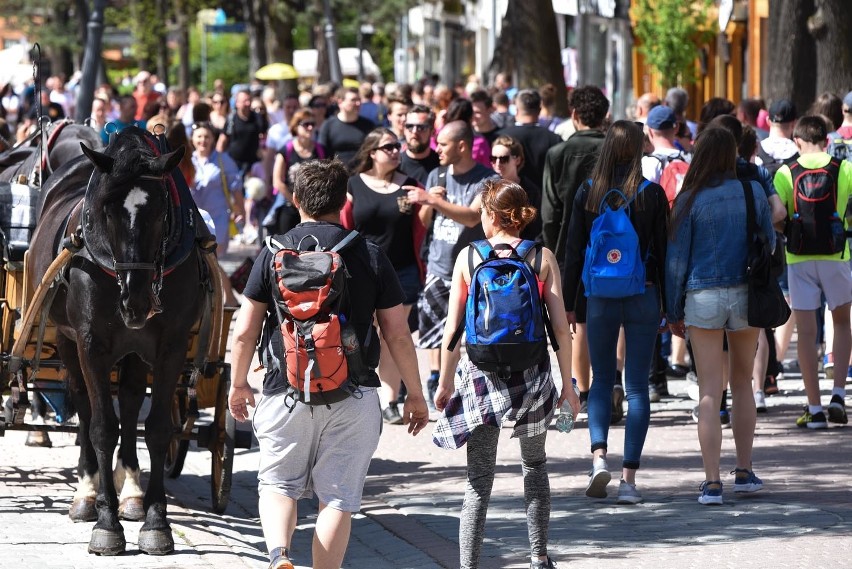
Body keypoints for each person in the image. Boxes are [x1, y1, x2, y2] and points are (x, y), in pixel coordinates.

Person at [228, 158, 429, 569]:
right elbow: (396, 333)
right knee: (336, 497)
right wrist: (415, 393)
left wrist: (238, 383)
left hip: (284, 391)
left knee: (278, 484)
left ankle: (280, 554)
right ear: (344, 202)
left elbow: (246, 330)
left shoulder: (272, 254)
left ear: (296, 198)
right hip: (352, 392)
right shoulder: (369, 254)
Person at [433, 178, 579, 569]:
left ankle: (468, 565)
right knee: (535, 465)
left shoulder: (469, 258)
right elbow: (561, 329)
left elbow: (452, 330)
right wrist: (568, 385)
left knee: (478, 480)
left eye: (481, 212)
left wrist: (446, 383)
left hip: (480, 376)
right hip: (531, 375)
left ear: (493, 216)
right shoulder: (540, 257)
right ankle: (539, 556)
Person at [562, 121, 669, 504]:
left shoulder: (588, 194)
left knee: (602, 379)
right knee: (638, 386)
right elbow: (664, 252)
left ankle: (598, 459)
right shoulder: (651, 195)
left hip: (599, 297)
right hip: (644, 293)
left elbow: (573, 251)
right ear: (639, 149)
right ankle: (629, 482)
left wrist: (569, 304)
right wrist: (670, 307)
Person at [666, 127, 773, 505]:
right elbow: (769, 243)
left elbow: (675, 262)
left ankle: (712, 482)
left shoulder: (689, 199)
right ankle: (743, 470)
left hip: (702, 294)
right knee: (743, 382)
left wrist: (673, 308)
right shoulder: (752, 191)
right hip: (747, 293)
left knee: (711, 390)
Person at [407, 120, 498, 409]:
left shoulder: (486, 179)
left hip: (473, 269)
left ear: (462, 146)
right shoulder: (437, 173)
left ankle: (476, 386)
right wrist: (428, 204)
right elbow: (425, 222)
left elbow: (473, 217)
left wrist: (431, 200)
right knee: (435, 332)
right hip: (439, 265)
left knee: (473, 332)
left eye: (443, 144)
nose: (438, 149)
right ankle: (437, 378)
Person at [773, 115, 852, 429]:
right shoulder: (843, 168)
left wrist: (788, 229)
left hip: (799, 257)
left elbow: (776, 213)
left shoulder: (785, 171)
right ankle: (838, 395)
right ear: (826, 139)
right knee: (842, 323)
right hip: (837, 254)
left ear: (797, 141)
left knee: (806, 334)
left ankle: (814, 408)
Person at [343, 128, 425, 424]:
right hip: (361, 271)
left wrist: (427, 202)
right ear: (372, 153)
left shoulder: (411, 185)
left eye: (396, 146)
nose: (395, 151)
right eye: (388, 146)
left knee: (394, 333)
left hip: (401, 270)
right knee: (366, 332)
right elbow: (345, 226)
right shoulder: (353, 184)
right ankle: (361, 394)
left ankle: (391, 400)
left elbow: (422, 226)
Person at [541, 85, 609, 416]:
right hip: (614, 247)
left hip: (569, 248)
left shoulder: (557, 154)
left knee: (577, 323)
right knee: (613, 317)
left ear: (574, 115)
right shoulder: (615, 151)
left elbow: (550, 213)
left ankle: (583, 389)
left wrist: (550, 256)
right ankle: (612, 383)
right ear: (604, 116)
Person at [190, 122, 244, 306]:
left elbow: (236, 189)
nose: (203, 140)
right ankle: (225, 299)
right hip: (194, 219)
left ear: (213, 139)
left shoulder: (223, 160)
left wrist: (241, 211)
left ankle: (225, 299)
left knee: (211, 258)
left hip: (217, 219)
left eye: (207, 137)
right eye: (199, 136)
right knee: (203, 260)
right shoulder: (188, 161)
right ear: (192, 139)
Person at [265, 108, 326, 236]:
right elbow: (277, 182)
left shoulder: (321, 151)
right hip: (289, 207)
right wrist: (297, 204)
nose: (310, 128)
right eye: (306, 124)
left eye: (312, 124)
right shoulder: (286, 150)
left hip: (316, 210)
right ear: (295, 127)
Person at [498, 89, 561, 185]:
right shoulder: (554, 139)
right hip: (543, 196)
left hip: (511, 195)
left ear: (516, 110)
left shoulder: (502, 138)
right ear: (539, 110)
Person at [490, 134, 541, 241]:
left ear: (517, 160)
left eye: (503, 159)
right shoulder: (489, 187)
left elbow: (535, 226)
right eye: (493, 159)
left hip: (522, 248)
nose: (498, 163)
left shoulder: (530, 190)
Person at [318, 87, 374, 170]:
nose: (358, 103)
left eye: (359, 100)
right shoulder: (328, 125)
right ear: (340, 102)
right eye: (353, 100)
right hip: (336, 175)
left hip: (362, 174)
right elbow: (322, 152)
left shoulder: (368, 125)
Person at [399, 104, 440, 186]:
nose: (414, 131)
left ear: (432, 131)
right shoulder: (395, 165)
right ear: (404, 129)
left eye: (421, 127)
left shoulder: (442, 165)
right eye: (409, 126)